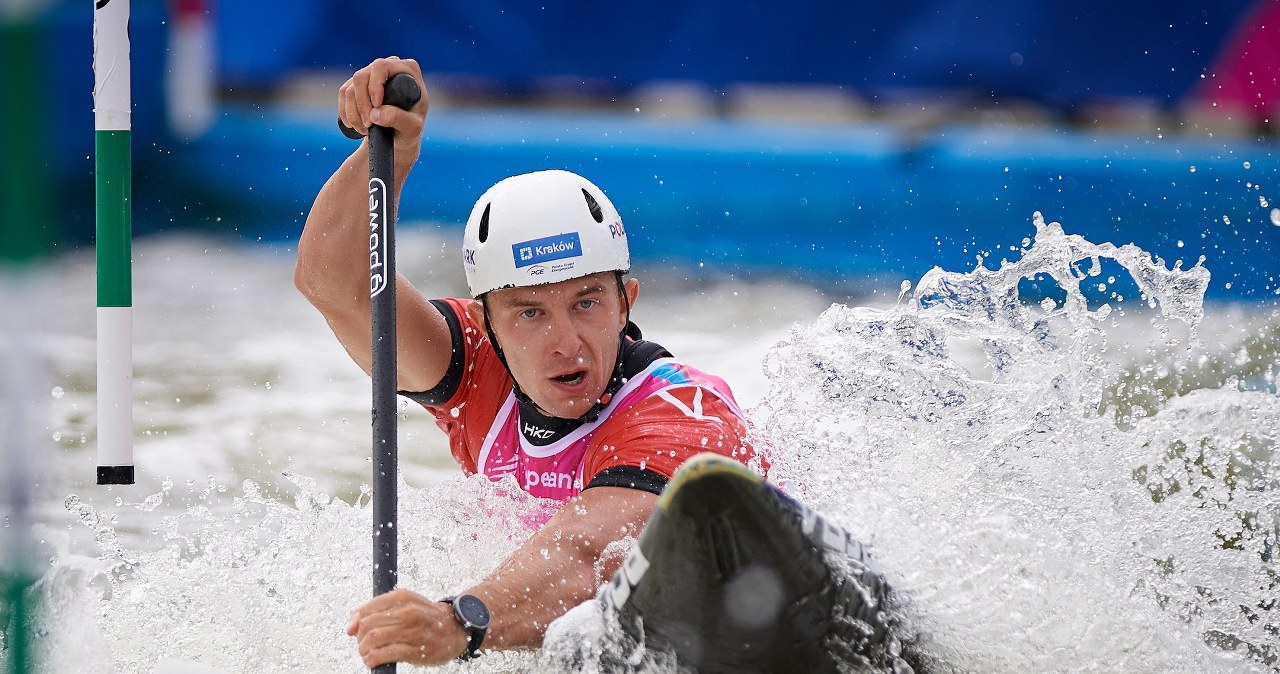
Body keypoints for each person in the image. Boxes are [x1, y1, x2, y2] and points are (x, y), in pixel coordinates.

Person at [294, 56, 766, 669]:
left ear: (627, 302)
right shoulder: (475, 369)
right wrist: (391, 153)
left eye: (587, 302)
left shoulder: (680, 411)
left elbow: (592, 554)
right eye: (529, 313)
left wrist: (458, 622)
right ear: (487, 323)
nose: (564, 342)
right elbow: (336, 284)